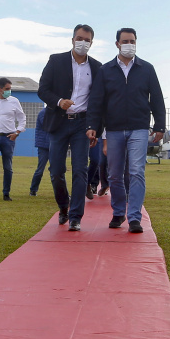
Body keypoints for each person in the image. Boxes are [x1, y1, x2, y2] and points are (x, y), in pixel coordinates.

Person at [87, 28, 166, 234]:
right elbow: (96, 101)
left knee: (136, 171)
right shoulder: (106, 70)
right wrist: (93, 127)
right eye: (125, 41)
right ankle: (118, 211)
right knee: (114, 175)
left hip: (139, 129)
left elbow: (156, 98)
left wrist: (160, 126)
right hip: (113, 130)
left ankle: (134, 217)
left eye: (132, 41)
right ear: (117, 44)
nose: (129, 44)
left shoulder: (147, 69)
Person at [37, 24, 102, 231]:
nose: (83, 43)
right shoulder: (56, 61)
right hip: (59, 122)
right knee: (56, 170)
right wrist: (58, 101)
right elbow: (42, 90)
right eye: (79, 38)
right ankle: (63, 206)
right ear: (72, 39)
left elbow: (99, 100)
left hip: (82, 124)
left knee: (80, 170)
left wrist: (96, 128)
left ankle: (76, 216)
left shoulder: (97, 67)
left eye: (87, 40)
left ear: (92, 43)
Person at [29, 107, 52, 196]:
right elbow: (48, 126)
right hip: (43, 145)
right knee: (40, 169)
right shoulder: (43, 113)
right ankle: (33, 189)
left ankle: (60, 191)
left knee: (56, 170)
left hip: (53, 145)